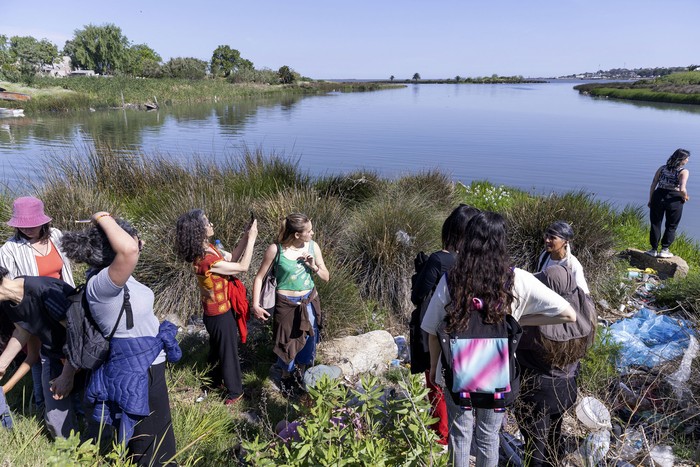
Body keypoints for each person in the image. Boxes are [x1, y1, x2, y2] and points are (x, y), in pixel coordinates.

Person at [421, 211, 576, 467]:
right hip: (497, 372)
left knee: (460, 437)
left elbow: (433, 331)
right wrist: (520, 321)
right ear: (501, 242)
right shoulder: (517, 278)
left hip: (459, 369)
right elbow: (568, 314)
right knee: (488, 438)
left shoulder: (452, 279)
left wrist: (437, 370)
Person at [60, 212, 179, 466]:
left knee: (156, 437)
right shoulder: (102, 284)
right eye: (133, 238)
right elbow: (129, 250)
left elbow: (131, 250)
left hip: (148, 364)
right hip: (135, 368)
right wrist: (102, 217)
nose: (138, 242)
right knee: (150, 445)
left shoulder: (119, 275)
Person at [409, 204, 480, 445]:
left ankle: (441, 434)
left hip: (438, 331)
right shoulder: (479, 262)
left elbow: (418, 295)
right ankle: (463, 431)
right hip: (470, 330)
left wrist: (421, 271)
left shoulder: (440, 260)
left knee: (436, 379)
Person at [0, 196, 75, 415]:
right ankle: (42, 404)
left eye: (33, 224)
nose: (28, 229)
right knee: (39, 357)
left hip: (61, 304)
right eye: (22, 226)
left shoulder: (56, 236)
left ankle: (60, 402)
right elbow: (9, 285)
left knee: (61, 354)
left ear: (44, 221)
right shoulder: (9, 249)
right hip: (33, 309)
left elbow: (65, 271)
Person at [516, 264, 596, 467]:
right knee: (554, 432)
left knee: (535, 441)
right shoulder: (586, 312)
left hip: (537, 389)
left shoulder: (540, 321)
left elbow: (517, 341)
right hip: (567, 387)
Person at [175, 209, 257, 404]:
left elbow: (234, 258)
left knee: (217, 348)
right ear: (198, 230)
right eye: (207, 222)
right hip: (219, 315)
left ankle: (213, 381)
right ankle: (235, 393)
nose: (211, 224)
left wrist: (245, 237)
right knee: (228, 352)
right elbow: (243, 267)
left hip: (215, 313)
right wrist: (253, 239)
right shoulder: (207, 260)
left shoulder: (210, 250)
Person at [251, 213, 329, 392]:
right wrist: (256, 304)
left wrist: (313, 266)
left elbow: (326, 277)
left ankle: (300, 373)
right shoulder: (275, 249)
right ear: (296, 234)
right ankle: (286, 376)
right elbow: (259, 278)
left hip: (309, 300)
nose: (312, 233)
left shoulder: (312, 247)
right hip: (286, 304)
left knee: (309, 339)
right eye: (308, 231)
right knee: (287, 341)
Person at [0, 266, 78, 439]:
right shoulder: (9, 302)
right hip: (54, 354)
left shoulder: (43, 290)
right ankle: (69, 454)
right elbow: (21, 332)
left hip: (82, 355)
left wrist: (67, 374)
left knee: (93, 410)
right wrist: (2, 364)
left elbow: (77, 334)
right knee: (54, 419)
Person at [647, 148, 691, 258]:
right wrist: (685, 197)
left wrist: (650, 199)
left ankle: (653, 250)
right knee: (671, 225)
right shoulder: (683, 171)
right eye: (687, 158)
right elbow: (682, 188)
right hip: (674, 199)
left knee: (655, 223)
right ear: (682, 159)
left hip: (658, 196)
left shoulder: (662, 168)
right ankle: (664, 250)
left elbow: (653, 184)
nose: (688, 160)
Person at [536, 221, 590, 294]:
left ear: (565, 242)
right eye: (547, 236)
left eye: (552, 238)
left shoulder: (572, 264)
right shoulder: (545, 256)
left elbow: (584, 294)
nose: (547, 240)